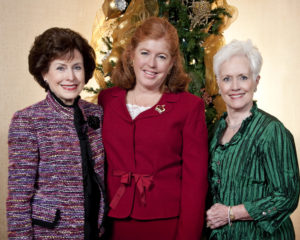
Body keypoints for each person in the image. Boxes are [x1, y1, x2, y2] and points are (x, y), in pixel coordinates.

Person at [98, 17, 208, 240]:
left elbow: (195, 184)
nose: (151, 64)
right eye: (145, 53)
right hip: (113, 222)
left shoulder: (189, 107)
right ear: (131, 54)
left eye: (161, 57)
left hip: (165, 224)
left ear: (172, 63)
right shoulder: (107, 100)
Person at [7, 27, 105, 239]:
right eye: (61, 68)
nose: (70, 77)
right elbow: (18, 199)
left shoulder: (97, 114)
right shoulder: (27, 120)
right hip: (52, 233)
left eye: (77, 67)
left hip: (96, 231)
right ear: (44, 73)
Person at [206, 39, 300, 239]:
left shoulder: (272, 131)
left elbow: (286, 197)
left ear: (256, 81)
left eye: (243, 77)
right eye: (227, 79)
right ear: (218, 83)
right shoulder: (216, 131)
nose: (235, 86)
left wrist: (231, 213)